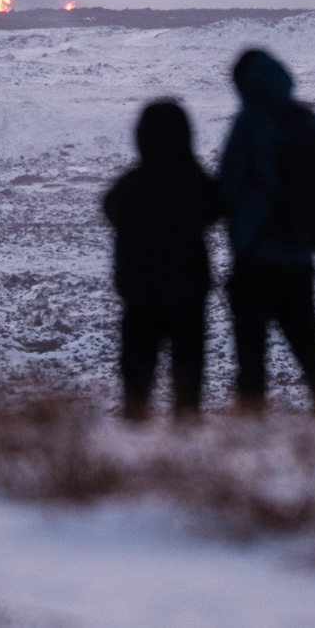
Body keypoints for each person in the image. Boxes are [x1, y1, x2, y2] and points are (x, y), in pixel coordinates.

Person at [218, 48, 315, 415]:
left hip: (255, 254)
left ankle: (251, 426)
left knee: (251, 353)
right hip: (300, 253)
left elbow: (229, 186)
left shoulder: (250, 123)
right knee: (309, 343)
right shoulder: (309, 121)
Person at [103, 99, 221, 421]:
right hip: (188, 291)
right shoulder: (194, 182)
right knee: (189, 369)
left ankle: (135, 430)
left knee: (137, 371)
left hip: (140, 293)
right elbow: (215, 208)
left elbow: (110, 209)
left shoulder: (132, 185)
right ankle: (186, 432)